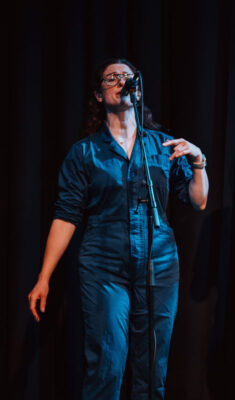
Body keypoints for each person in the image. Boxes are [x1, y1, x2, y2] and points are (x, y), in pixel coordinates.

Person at [27, 58, 209, 399]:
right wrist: (44, 276)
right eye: (112, 78)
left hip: (158, 262)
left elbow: (197, 200)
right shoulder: (85, 152)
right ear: (99, 94)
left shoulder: (162, 145)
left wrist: (198, 161)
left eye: (127, 77)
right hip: (104, 264)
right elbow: (66, 215)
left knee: (152, 365)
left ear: (138, 90)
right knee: (107, 361)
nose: (121, 82)